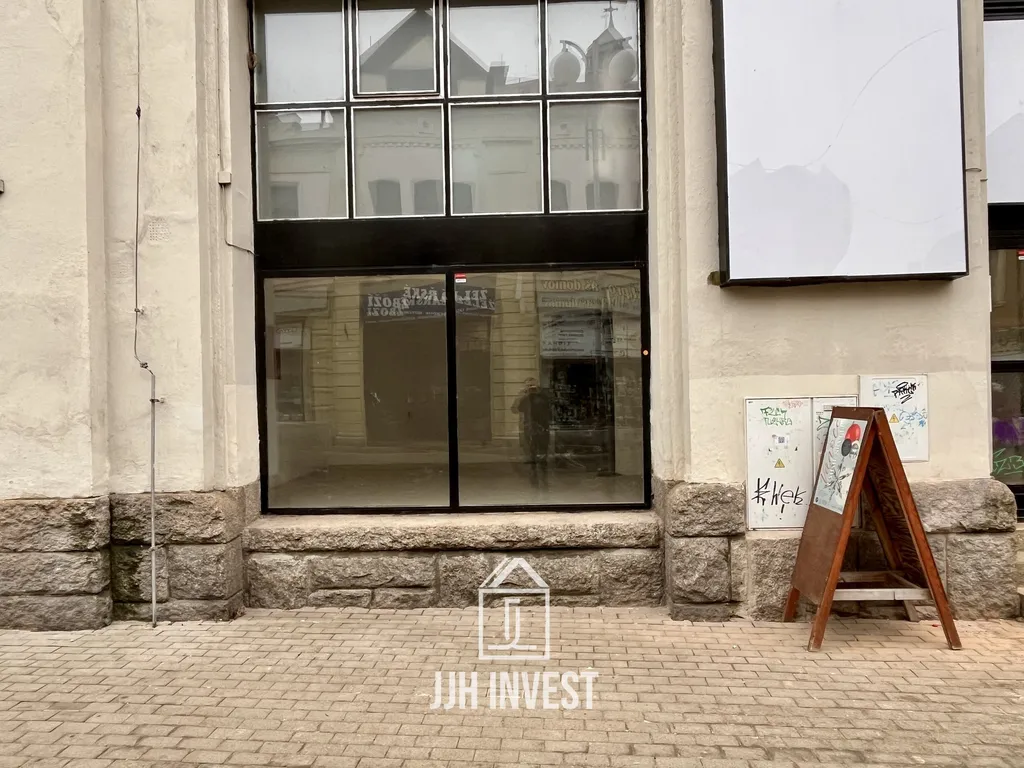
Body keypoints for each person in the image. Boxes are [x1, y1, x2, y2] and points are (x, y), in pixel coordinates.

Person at [511, 377, 552, 487]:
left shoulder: (543, 397)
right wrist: (520, 396)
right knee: (531, 453)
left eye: (533, 385)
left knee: (542, 452)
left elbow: (549, 409)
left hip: (541, 428)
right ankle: (535, 478)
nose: (531, 388)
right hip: (530, 428)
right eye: (529, 386)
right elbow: (515, 409)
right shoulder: (525, 398)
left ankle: (542, 477)